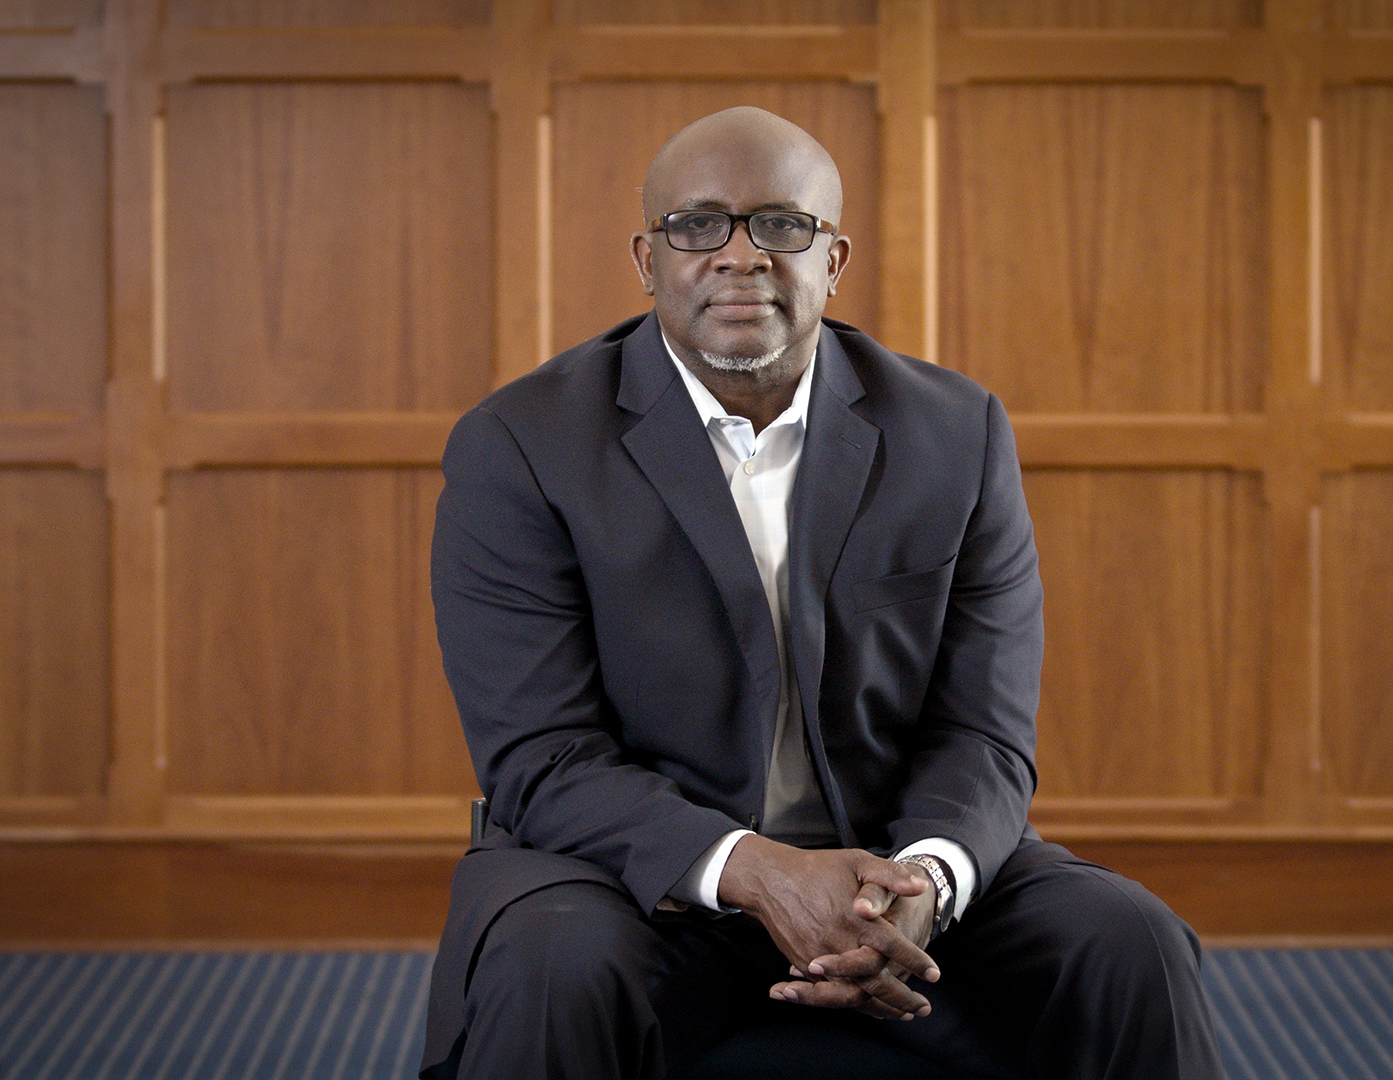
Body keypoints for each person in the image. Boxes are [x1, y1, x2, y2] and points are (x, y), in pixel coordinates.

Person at [419, 106, 1221, 1079]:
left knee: (1128, 942)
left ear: (834, 259)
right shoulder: (522, 443)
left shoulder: (954, 432)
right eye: (697, 224)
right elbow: (542, 756)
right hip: (627, 875)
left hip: (888, 860)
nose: (739, 255)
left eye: (781, 225)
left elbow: (985, 731)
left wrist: (923, 878)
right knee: (551, 967)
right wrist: (756, 870)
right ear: (647, 256)